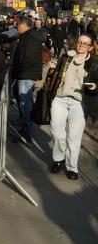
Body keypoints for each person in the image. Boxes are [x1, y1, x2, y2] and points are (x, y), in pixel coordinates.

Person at [47, 34, 98, 180]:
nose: (81, 44)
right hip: (60, 99)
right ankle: (58, 159)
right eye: (80, 42)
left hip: (80, 103)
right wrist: (52, 69)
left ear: (90, 47)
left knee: (74, 137)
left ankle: (71, 167)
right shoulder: (66, 57)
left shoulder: (94, 63)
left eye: (85, 43)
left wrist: (95, 86)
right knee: (57, 133)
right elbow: (55, 76)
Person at [12, 15, 43, 143]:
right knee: (25, 103)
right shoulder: (29, 36)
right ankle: (26, 129)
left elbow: (28, 58)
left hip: (26, 74)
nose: (16, 27)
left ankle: (27, 133)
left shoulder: (30, 37)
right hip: (26, 74)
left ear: (24, 25)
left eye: (17, 24)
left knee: (26, 105)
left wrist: (18, 70)